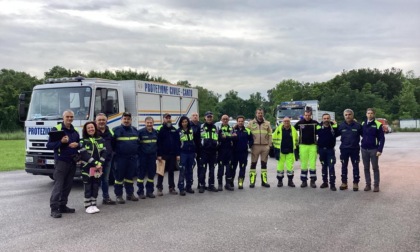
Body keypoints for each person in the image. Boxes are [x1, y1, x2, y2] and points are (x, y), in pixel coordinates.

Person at [46, 110, 80, 218]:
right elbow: (49, 145)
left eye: (71, 117)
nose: (69, 119)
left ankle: (63, 206)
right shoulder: (57, 129)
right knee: (58, 186)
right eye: (67, 117)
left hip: (72, 162)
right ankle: (54, 209)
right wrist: (61, 142)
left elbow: (79, 145)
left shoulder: (75, 131)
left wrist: (77, 145)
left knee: (67, 186)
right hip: (61, 162)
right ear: (63, 117)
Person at [79, 121, 107, 214]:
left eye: (92, 127)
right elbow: (84, 154)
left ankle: (93, 204)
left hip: (98, 167)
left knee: (95, 185)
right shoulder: (82, 141)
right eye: (88, 128)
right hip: (87, 167)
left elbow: (105, 152)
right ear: (85, 130)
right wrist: (95, 162)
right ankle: (87, 205)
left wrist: (100, 162)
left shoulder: (100, 139)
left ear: (95, 128)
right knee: (88, 185)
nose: (91, 129)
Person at [112, 112, 139, 203]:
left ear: (131, 120)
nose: (126, 120)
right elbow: (112, 144)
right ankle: (119, 195)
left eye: (128, 119)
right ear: (121, 120)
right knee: (119, 178)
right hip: (120, 158)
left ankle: (130, 194)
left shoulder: (135, 130)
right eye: (125, 119)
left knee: (129, 177)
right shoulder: (115, 130)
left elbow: (138, 144)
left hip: (132, 158)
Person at [336, 109, 363, 191]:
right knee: (344, 166)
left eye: (349, 114)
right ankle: (344, 183)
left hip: (355, 149)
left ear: (352, 115)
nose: (348, 116)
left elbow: (365, 136)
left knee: (355, 166)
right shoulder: (341, 125)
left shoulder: (358, 125)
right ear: (344, 116)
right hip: (344, 149)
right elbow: (334, 135)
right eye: (346, 115)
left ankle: (355, 183)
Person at [247, 108, 272, 188]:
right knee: (253, 164)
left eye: (261, 113)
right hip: (255, 146)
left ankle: (264, 181)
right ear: (256, 114)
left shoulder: (267, 123)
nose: (260, 114)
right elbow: (246, 132)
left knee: (264, 164)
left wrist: (269, 145)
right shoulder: (251, 123)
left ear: (263, 114)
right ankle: (252, 181)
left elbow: (270, 134)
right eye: (258, 113)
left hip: (265, 146)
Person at [361, 108, 385, 192]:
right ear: (366, 114)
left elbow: (382, 138)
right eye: (368, 113)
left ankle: (376, 185)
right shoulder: (363, 123)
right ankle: (368, 185)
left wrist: (380, 150)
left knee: (375, 168)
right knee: (366, 168)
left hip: (374, 149)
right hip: (364, 149)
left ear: (374, 114)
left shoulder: (378, 124)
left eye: (371, 113)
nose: (370, 115)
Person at [157, 113, 181, 196]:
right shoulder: (160, 129)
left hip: (172, 154)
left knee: (171, 172)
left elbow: (177, 143)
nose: (168, 119)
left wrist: (178, 154)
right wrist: (159, 154)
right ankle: (159, 188)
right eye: (166, 118)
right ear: (163, 119)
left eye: (169, 118)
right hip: (163, 154)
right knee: (161, 172)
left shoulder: (174, 129)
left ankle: (172, 188)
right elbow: (158, 143)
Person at [95, 113, 116, 205]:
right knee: (95, 179)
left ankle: (106, 198)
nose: (101, 122)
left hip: (107, 160)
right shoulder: (93, 132)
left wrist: (112, 153)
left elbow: (114, 144)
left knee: (105, 179)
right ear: (96, 121)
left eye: (103, 120)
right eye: (99, 120)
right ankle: (92, 199)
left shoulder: (110, 131)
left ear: (106, 121)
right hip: (96, 162)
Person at [294, 109, 319, 188]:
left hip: (313, 145)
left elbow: (322, 129)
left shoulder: (315, 123)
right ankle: (304, 181)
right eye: (306, 115)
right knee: (303, 164)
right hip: (303, 146)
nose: (307, 117)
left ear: (311, 115)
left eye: (309, 115)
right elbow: (293, 130)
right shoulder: (300, 123)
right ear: (304, 115)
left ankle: (313, 181)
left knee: (312, 164)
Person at [137, 116, 158, 199]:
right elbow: (137, 145)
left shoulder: (156, 132)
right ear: (144, 123)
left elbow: (158, 144)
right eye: (148, 123)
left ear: (153, 123)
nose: (149, 124)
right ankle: (140, 192)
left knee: (151, 175)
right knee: (141, 175)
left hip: (152, 157)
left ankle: (150, 191)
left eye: (151, 123)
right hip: (142, 156)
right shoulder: (140, 132)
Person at [316, 113, 338, 191]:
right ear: (322, 119)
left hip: (330, 150)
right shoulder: (318, 126)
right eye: (324, 118)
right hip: (321, 150)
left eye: (327, 118)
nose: (326, 120)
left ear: (330, 119)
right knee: (323, 167)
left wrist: (335, 125)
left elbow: (338, 133)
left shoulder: (333, 127)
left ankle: (332, 184)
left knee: (331, 167)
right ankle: (325, 182)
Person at [198, 111, 219, 193]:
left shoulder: (215, 127)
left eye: (210, 117)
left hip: (213, 152)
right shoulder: (201, 127)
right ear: (205, 118)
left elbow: (217, 138)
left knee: (212, 170)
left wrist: (216, 148)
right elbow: (198, 139)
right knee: (203, 169)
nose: (209, 118)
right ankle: (202, 185)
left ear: (212, 118)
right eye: (208, 117)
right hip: (204, 152)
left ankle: (211, 185)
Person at [274, 117, 298, 188]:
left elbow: (296, 139)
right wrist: (276, 149)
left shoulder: (293, 130)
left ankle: (290, 181)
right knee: (280, 167)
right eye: (285, 121)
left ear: (290, 122)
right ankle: (280, 181)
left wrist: (296, 149)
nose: (286, 122)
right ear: (282, 122)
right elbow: (274, 138)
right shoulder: (278, 129)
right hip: (281, 151)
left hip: (290, 151)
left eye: (288, 121)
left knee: (290, 167)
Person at [231, 115, 253, 189]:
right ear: (237, 122)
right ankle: (231, 182)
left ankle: (240, 183)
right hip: (234, 153)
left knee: (242, 168)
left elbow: (251, 140)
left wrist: (249, 145)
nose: (240, 122)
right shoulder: (232, 130)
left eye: (242, 121)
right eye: (239, 121)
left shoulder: (247, 131)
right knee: (233, 168)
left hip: (243, 153)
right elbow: (228, 139)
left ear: (244, 122)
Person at [177, 116, 196, 195]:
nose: (185, 123)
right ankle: (181, 188)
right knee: (182, 171)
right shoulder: (178, 131)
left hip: (191, 153)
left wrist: (195, 151)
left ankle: (189, 186)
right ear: (181, 123)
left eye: (186, 121)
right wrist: (178, 154)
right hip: (183, 153)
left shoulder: (191, 130)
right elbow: (177, 144)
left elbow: (194, 141)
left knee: (190, 170)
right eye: (183, 122)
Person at [217, 114, 234, 191]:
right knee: (220, 169)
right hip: (221, 151)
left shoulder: (231, 128)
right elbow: (219, 138)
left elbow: (235, 137)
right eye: (224, 119)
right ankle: (220, 184)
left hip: (229, 151)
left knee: (228, 169)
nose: (225, 120)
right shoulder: (218, 128)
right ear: (221, 119)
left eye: (226, 119)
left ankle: (227, 184)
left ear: (228, 120)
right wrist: (229, 137)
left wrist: (226, 137)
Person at [190, 112, 202, 188]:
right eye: (193, 115)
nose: (195, 117)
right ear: (191, 117)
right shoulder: (188, 125)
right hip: (191, 149)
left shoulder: (201, 125)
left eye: (196, 115)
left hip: (200, 149)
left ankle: (200, 183)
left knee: (200, 167)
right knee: (190, 167)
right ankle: (189, 184)